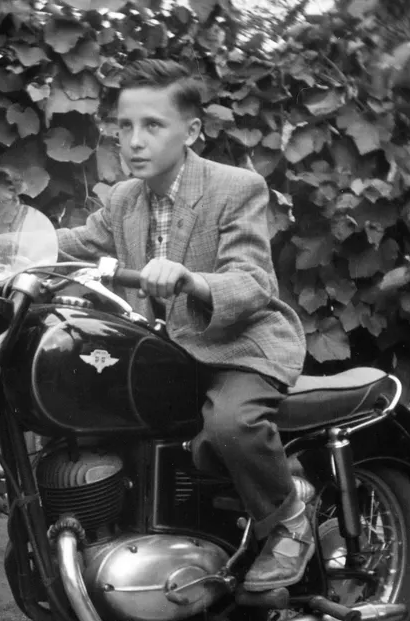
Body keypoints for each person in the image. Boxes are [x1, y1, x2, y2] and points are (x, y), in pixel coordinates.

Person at [57, 59, 311, 592]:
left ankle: (290, 519)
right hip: (167, 354)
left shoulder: (236, 187)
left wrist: (191, 279)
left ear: (192, 131)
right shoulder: (125, 198)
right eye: (125, 126)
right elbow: (73, 244)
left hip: (240, 345)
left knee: (232, 424)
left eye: (153, 125)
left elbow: (252, 280)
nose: (134, 141)